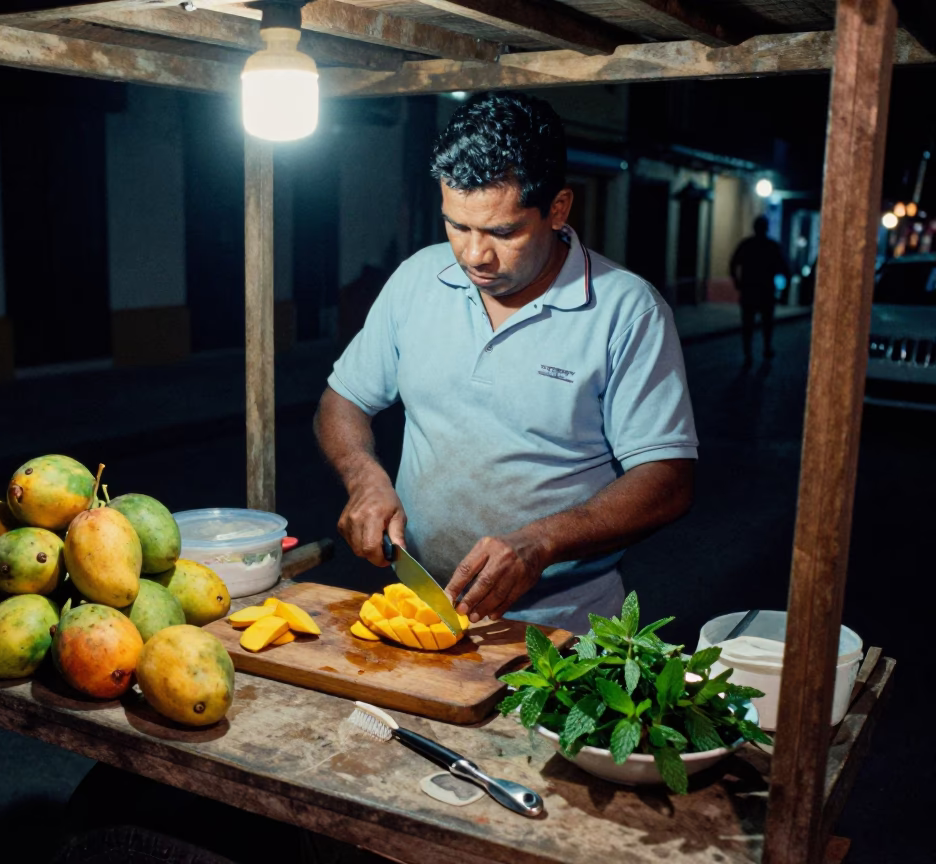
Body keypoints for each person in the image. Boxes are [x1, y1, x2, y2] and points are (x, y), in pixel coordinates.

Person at [313, 92, 698, 634]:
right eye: (457, 226)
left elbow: (669, 478)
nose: (474, 255)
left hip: (564, 627)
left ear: (557, 209)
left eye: (502, 232)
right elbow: (344, 399)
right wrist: (363, 477)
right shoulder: (417, 280)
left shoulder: (627, 311)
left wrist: (539, 543)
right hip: (418, 610)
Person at [729, 216, 791, 365]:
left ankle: (749, 352)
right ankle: (764, 348)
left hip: (751, 290)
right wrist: (784, 292)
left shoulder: (747, 245)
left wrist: (737, 282)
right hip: (765, 291)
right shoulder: (771, 246)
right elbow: (784, 269)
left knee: (748, 324)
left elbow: (733, 264)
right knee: (766, 323)